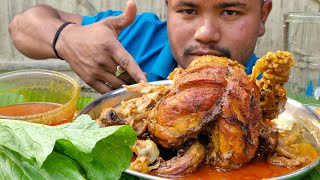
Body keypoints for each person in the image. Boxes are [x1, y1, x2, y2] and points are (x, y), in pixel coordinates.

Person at [9, 0, 272, 94]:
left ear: (262, 16)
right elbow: (21, 26)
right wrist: (66, 39)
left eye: (230, 12)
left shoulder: (266, 92)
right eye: (188, 10)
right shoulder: (135, 38)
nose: (205, 34)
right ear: (168, 9)